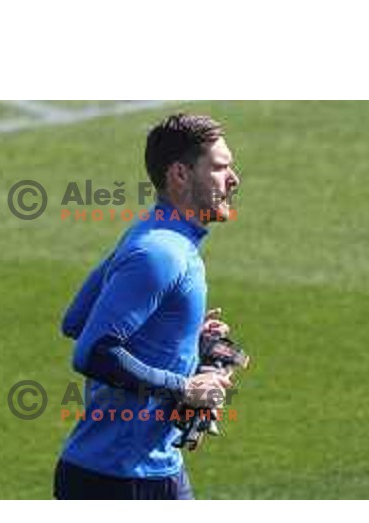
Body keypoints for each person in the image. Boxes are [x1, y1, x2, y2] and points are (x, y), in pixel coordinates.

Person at [53, 113, 241, 499]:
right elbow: (91, 351)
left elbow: (76, 318)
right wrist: (185, 387)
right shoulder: (160, 253)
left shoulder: (153, 233)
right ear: (180, 175)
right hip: (119, 479)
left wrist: (182, 334)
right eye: (220, 168)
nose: (234, 179)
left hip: (147, 468)